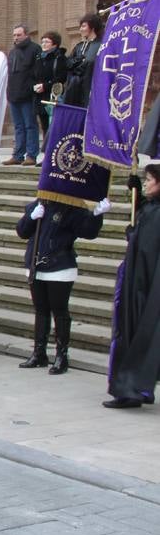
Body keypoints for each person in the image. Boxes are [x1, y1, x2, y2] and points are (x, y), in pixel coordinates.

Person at [15, 195, 107, 374]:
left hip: (60, 266)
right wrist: (30, 217)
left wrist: (97, 215)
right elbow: (22, 231)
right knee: (41, 310)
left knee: (60, 311)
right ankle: (39, 352)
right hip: (36, 265)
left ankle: (61, 356)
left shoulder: (72, 207)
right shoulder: (38, 204)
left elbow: (88, 232)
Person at [108, 166, 160, 408]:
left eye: (149, 180)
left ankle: (131, 389)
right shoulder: (151, 208)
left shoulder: (157, 213)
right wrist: (137, 193)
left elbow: (147, 250)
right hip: (139, 281)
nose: (147, 183)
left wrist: (134, 236)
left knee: (137, 334)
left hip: (143, 286)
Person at [5, 24, 42, 166]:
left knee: (30, 125)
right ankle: (18, 154)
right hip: (14, 94)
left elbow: (37, 72)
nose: (16, 37)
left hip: (27, 95)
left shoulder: (35, 49)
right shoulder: (13, 52)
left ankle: (31, 155)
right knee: (18, 126)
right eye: (14, 35)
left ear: (26, 34)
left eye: (18, 35)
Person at [58, 13, 104, 109]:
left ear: (93, 27)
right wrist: (79, 60)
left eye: (83, 26)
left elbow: (90, 64)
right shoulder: (79, 46)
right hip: (74, 89)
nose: (81, 29)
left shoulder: (101, 45)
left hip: (90, 88)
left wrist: (80, 63)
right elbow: (69, 64)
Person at [33, 31, 67, 142]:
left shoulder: (59, 58)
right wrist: (35, 86)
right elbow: (35, 75)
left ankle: (52, 153)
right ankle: (46, 153)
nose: (43, 44)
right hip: (40, 96)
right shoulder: (39, 58)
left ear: (54, 44)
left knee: (54, 127)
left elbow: (61, 78)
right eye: (42, 41)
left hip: (53, 97)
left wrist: (45, 86)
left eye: (47, 42)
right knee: (44, 127)